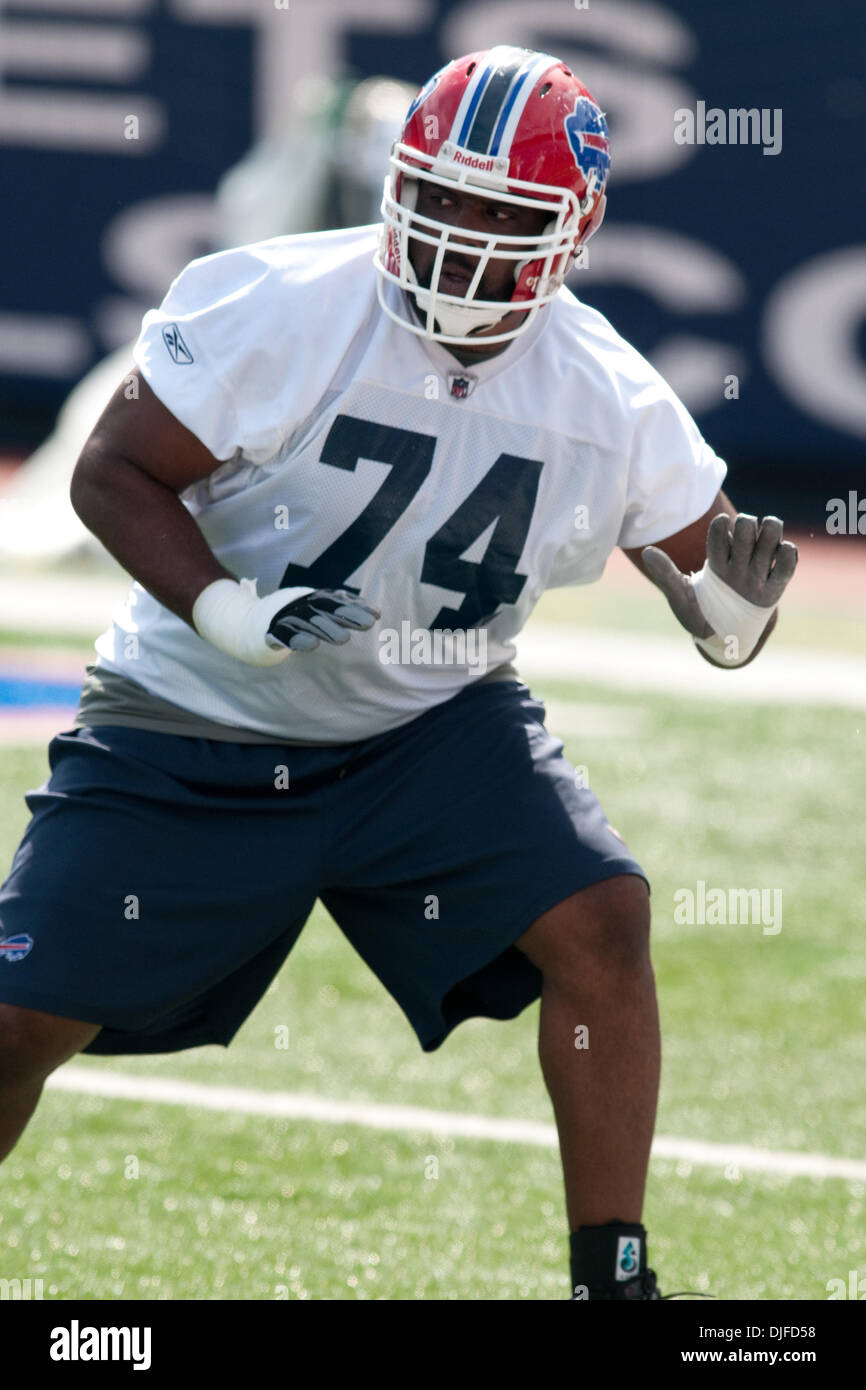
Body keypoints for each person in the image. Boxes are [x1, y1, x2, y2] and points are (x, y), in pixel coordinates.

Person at [0, 45, 797, 1300]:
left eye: (501, 214)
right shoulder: (281, 302)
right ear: (394, 186)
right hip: (192, 718)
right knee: (15, 1022)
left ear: (571, 232)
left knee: (602, 920)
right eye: (440, 199)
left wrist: (734, 620)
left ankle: (615, 1276)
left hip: (427, 729)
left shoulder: (607, 396)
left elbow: (708, 595)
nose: (461, 240)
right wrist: (221, 606)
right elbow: (113, 467)